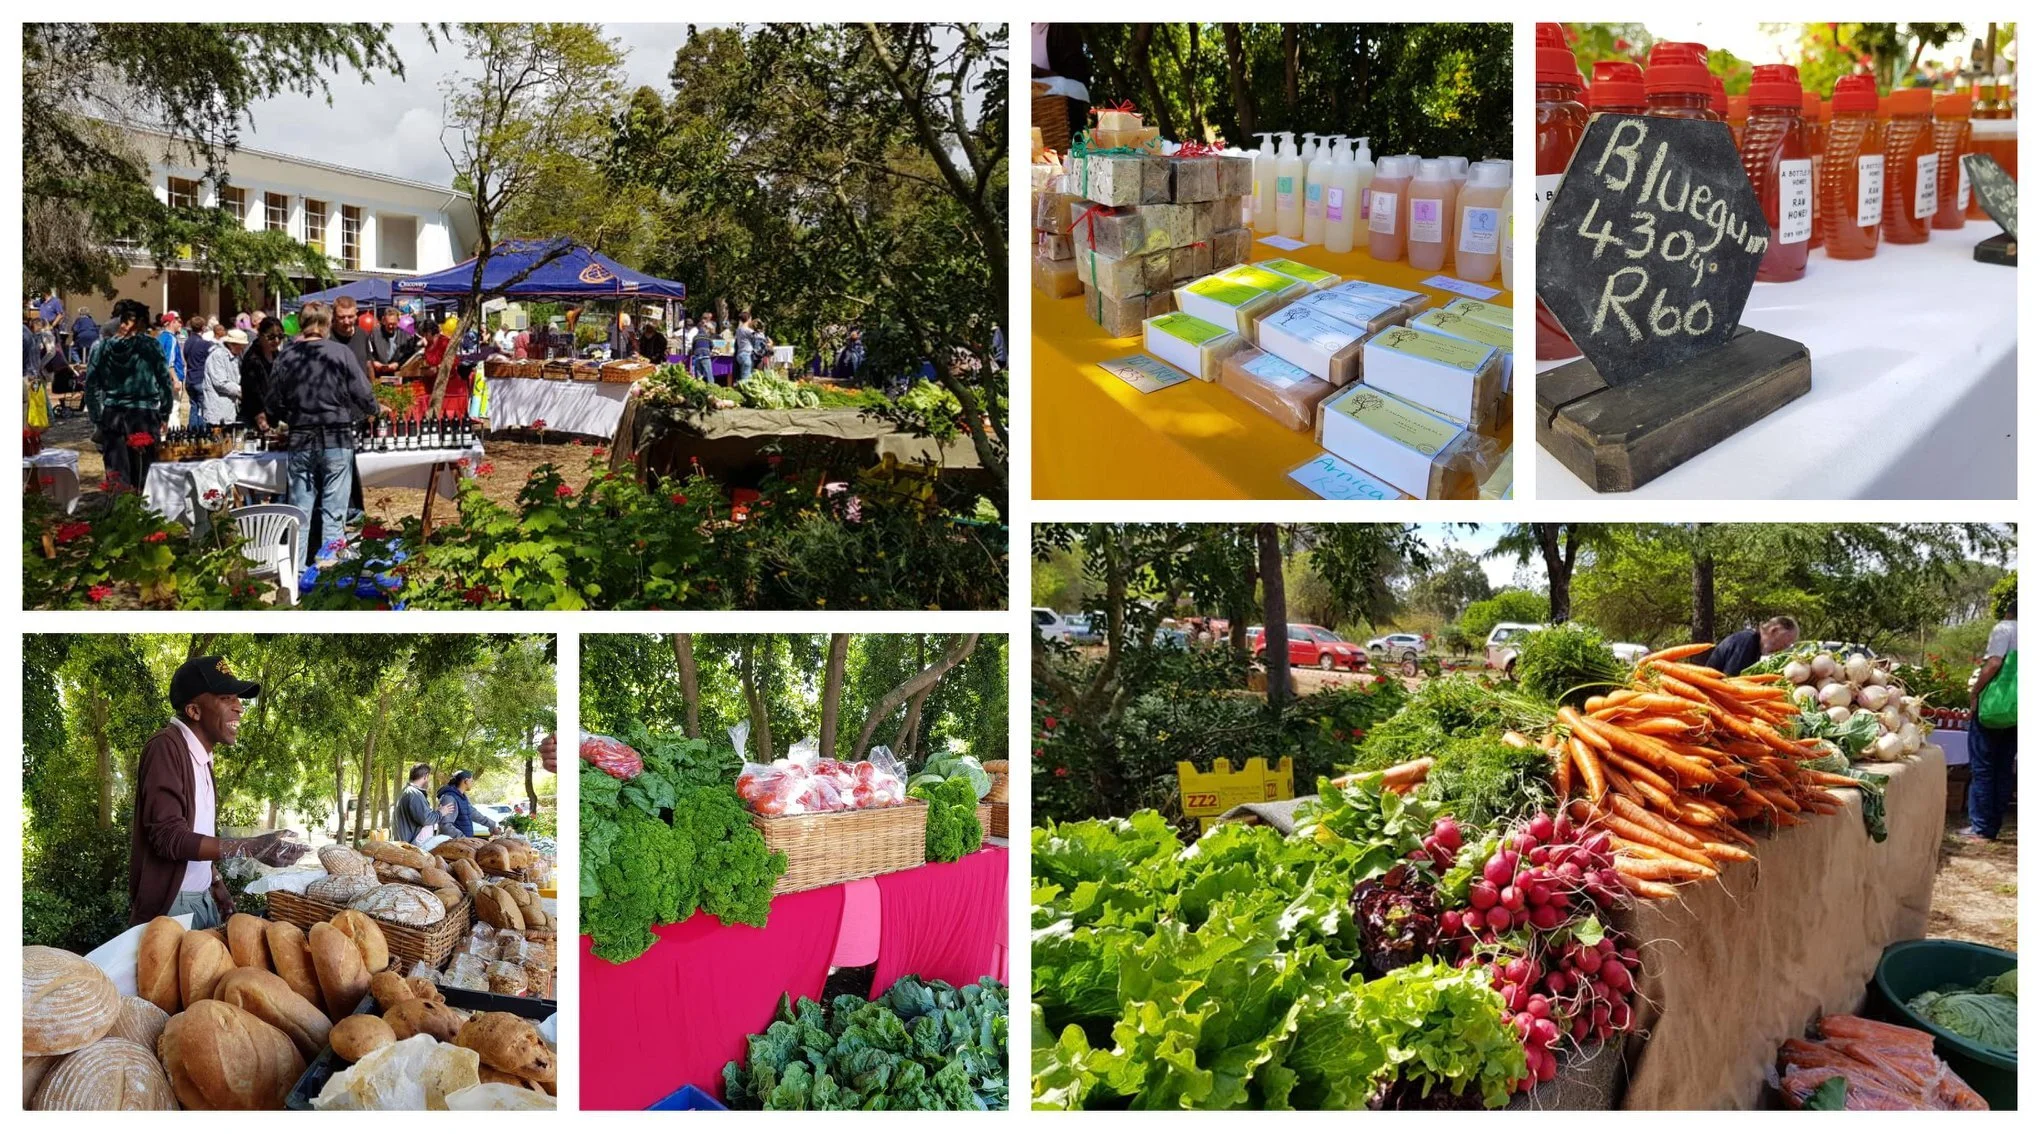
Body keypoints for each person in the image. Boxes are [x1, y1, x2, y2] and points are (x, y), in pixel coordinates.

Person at [128, 654, 301, 927]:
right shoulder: (165, 748)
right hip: (172, 906)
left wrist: (216, 882)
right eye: (226, 698)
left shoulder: (202, 758)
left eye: (237, 699)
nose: (239, 708)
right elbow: (168, 837)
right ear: (194, 711)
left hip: (202, 897)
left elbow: (194, 834)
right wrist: (250, 847)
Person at [267, 300, 379, 565]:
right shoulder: (341, 353)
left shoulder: (286, 356)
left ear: (302, 325)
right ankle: (329, 571)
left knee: (300, 511)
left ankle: (296, 572)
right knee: (334, 512)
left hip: (301, 438)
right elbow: (364, 393)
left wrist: (290, 416)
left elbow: (271, 405)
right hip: (336, 437)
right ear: (328, 324)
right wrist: (373, 409)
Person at [84, 298, 177, 489]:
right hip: (144, 415)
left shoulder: (101, 347)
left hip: (113, 415)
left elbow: (91, 385)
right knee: (145, 475)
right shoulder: (150, 346)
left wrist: (97, 417)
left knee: (117, 477)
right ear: (140, 322)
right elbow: (164, 382)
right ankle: (142, 508)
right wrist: (165, 413)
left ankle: (120, 507)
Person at [1964, 591, 2017, 841]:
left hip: (1993, 709)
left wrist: (1975, 692)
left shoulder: (2005, 628)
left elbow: (1994, 664)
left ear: (2009, 612)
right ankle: (1994, 825)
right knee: (2004, 768)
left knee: (1983, 767)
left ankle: (1981, 828)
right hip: (2017, 711)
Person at [1698, 615, 1800, 677]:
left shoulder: (1755, 646)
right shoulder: (1747, 641)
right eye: (1787, 640)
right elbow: (1732, 680)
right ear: (1774, 630)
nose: (1786, 646)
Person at [393, 762, 458, 845]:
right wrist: (441, 812)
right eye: (429, 777)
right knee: (447, 839)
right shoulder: (414, 794)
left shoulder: (408, 792)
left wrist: (436, 813)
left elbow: (422, 815)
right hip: (414, 845)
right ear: (425, 776)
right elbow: (426, 819)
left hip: (412, 843)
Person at [240, 316, 283, 431]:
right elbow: (249, 391)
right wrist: (259, 416)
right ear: (260, 335)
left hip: (275, 414)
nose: (276, 341)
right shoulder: (252, 359)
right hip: (256, 417)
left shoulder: (278, 355)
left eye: (280, 336)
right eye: (271, 337)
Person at [199, 327, 247, 426]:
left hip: (229, 408)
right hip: (218, 408)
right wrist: (242, 391)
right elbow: (220, 383)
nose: (242, 349)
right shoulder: (218, 356)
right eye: (241, 346)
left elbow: (235, 377)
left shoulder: (233, 356)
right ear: (231, 344)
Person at [436, 771, 501, 838]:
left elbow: (474, 814)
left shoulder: (462, 797)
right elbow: (445, 826)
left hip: (463, 842)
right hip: (454, 843)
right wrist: (463, 838)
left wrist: (492, 825)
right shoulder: (449, 798)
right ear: (466, 781)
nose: (472, 783)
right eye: (471, 781)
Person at [367, 305, 419, 383]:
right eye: (389, 324)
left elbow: (410, 354)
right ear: (383, 321)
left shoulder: (405, 336)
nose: (391, 326)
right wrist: (374, 362)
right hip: (379, 374)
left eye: (394, 324)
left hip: (398, 374)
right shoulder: (374, 334)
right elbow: (368, 351)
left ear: (398, 321)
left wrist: (398, 364)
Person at [331, 296, 374, 384]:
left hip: (360, 389)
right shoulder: (326, 337)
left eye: (350, 317)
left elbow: (368, 364)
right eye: (341, 317)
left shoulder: (363, 334)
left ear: (356, 315)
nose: (346, 322)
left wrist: (373, 387)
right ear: (334, 316)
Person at [689, 315, 717, 383]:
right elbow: (711, 345)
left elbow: (693, 348)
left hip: (697, 357)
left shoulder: (695, 337)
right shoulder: (707, 337)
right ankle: (711, 386)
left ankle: (699, 386)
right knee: (709, 374)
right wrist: (710, 351)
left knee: (699, 374)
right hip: (705, 356)